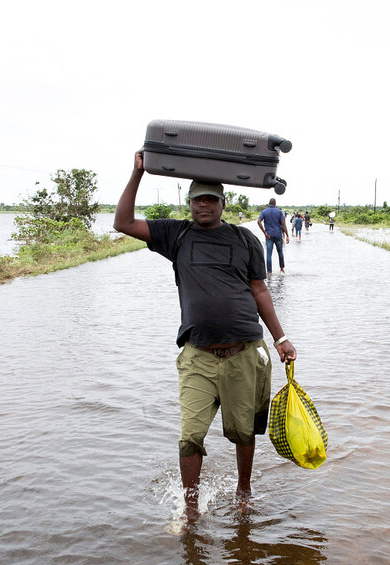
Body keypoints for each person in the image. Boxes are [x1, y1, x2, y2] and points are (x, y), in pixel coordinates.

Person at [113, 151, 297, 523]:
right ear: (190, 203)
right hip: (197, 355)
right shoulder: (176, 234)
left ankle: (243, 491)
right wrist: (137, 174)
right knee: (190, 435)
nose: (204, 206)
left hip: (243, 351)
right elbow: (123, 222)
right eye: (198, 200)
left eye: (211, 200)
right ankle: (191, 508)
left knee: (244, 432)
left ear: (223, 204)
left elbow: (260, 290)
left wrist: (281, 338)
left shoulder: (244, 239)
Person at [257, 198, 289, 273]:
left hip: (268, 235)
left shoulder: (264, 211)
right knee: (280, 252)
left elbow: (258, 221)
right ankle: (281, 269)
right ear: (275, 204)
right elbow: (283, 224)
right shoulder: (279, 212)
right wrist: (287, 235)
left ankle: (269, 272)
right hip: (278, 235)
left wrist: (264, 232)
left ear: (269, 203)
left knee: (269, 254)